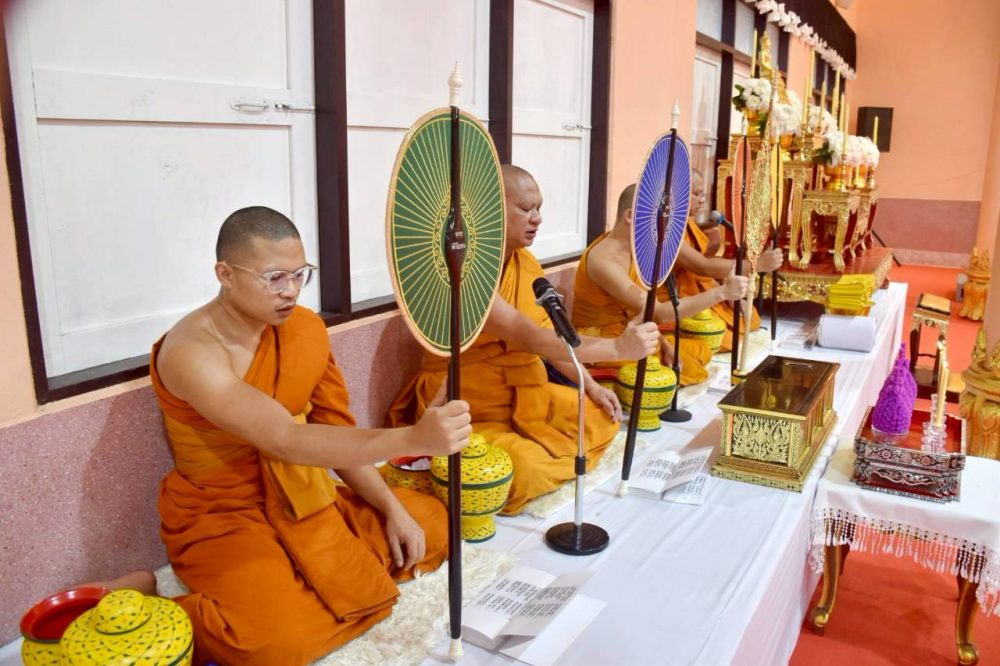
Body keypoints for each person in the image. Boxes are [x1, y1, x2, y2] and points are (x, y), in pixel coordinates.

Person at [145, 206, 471, 665]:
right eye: (275, 278)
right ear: (225, 274)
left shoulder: (304, 330)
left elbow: (334, 432)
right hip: (224, 511)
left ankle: (300, 586)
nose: (292, 291)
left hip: (305, 492)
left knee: (435, 523)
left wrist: (391, 507)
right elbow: (284, 438)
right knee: (275, 644)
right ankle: (155, 600)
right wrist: (411, 439)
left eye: (301, 274)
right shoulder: (192, 351)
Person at [388, 165, 659, 515]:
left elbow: (550, 333)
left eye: (539, 208)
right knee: (523, 470)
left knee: (597, 418)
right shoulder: (461, 270)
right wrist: (617, 348)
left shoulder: (524, 263)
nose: (537, 218)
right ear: (490, 212)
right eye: (526, 209)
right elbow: (527, 334)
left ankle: (534, 448)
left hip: (524, 388)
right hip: (469, 399)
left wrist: (590, 386)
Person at [572, 183, 748, 385]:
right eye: (660, 218)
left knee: (698, 351)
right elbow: (659, 312)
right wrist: (722, 293)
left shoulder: (637, 250)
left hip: (629, 329)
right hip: (600, 339)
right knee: (662, 375)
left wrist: (663, 343)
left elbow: (642, 311)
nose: (666, 227)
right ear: (630, 216)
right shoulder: (604, 260)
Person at [674, 171, 783, 351]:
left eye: (702, 194)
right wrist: (757, 265)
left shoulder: (688, 224)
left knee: (750, 319)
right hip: (678, 299)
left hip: (699, 289)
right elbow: (702, 266)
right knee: (722, 338)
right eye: (696, 194)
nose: (702, 200)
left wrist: (726, 290)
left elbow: (705, 270)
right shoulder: (669, 231)